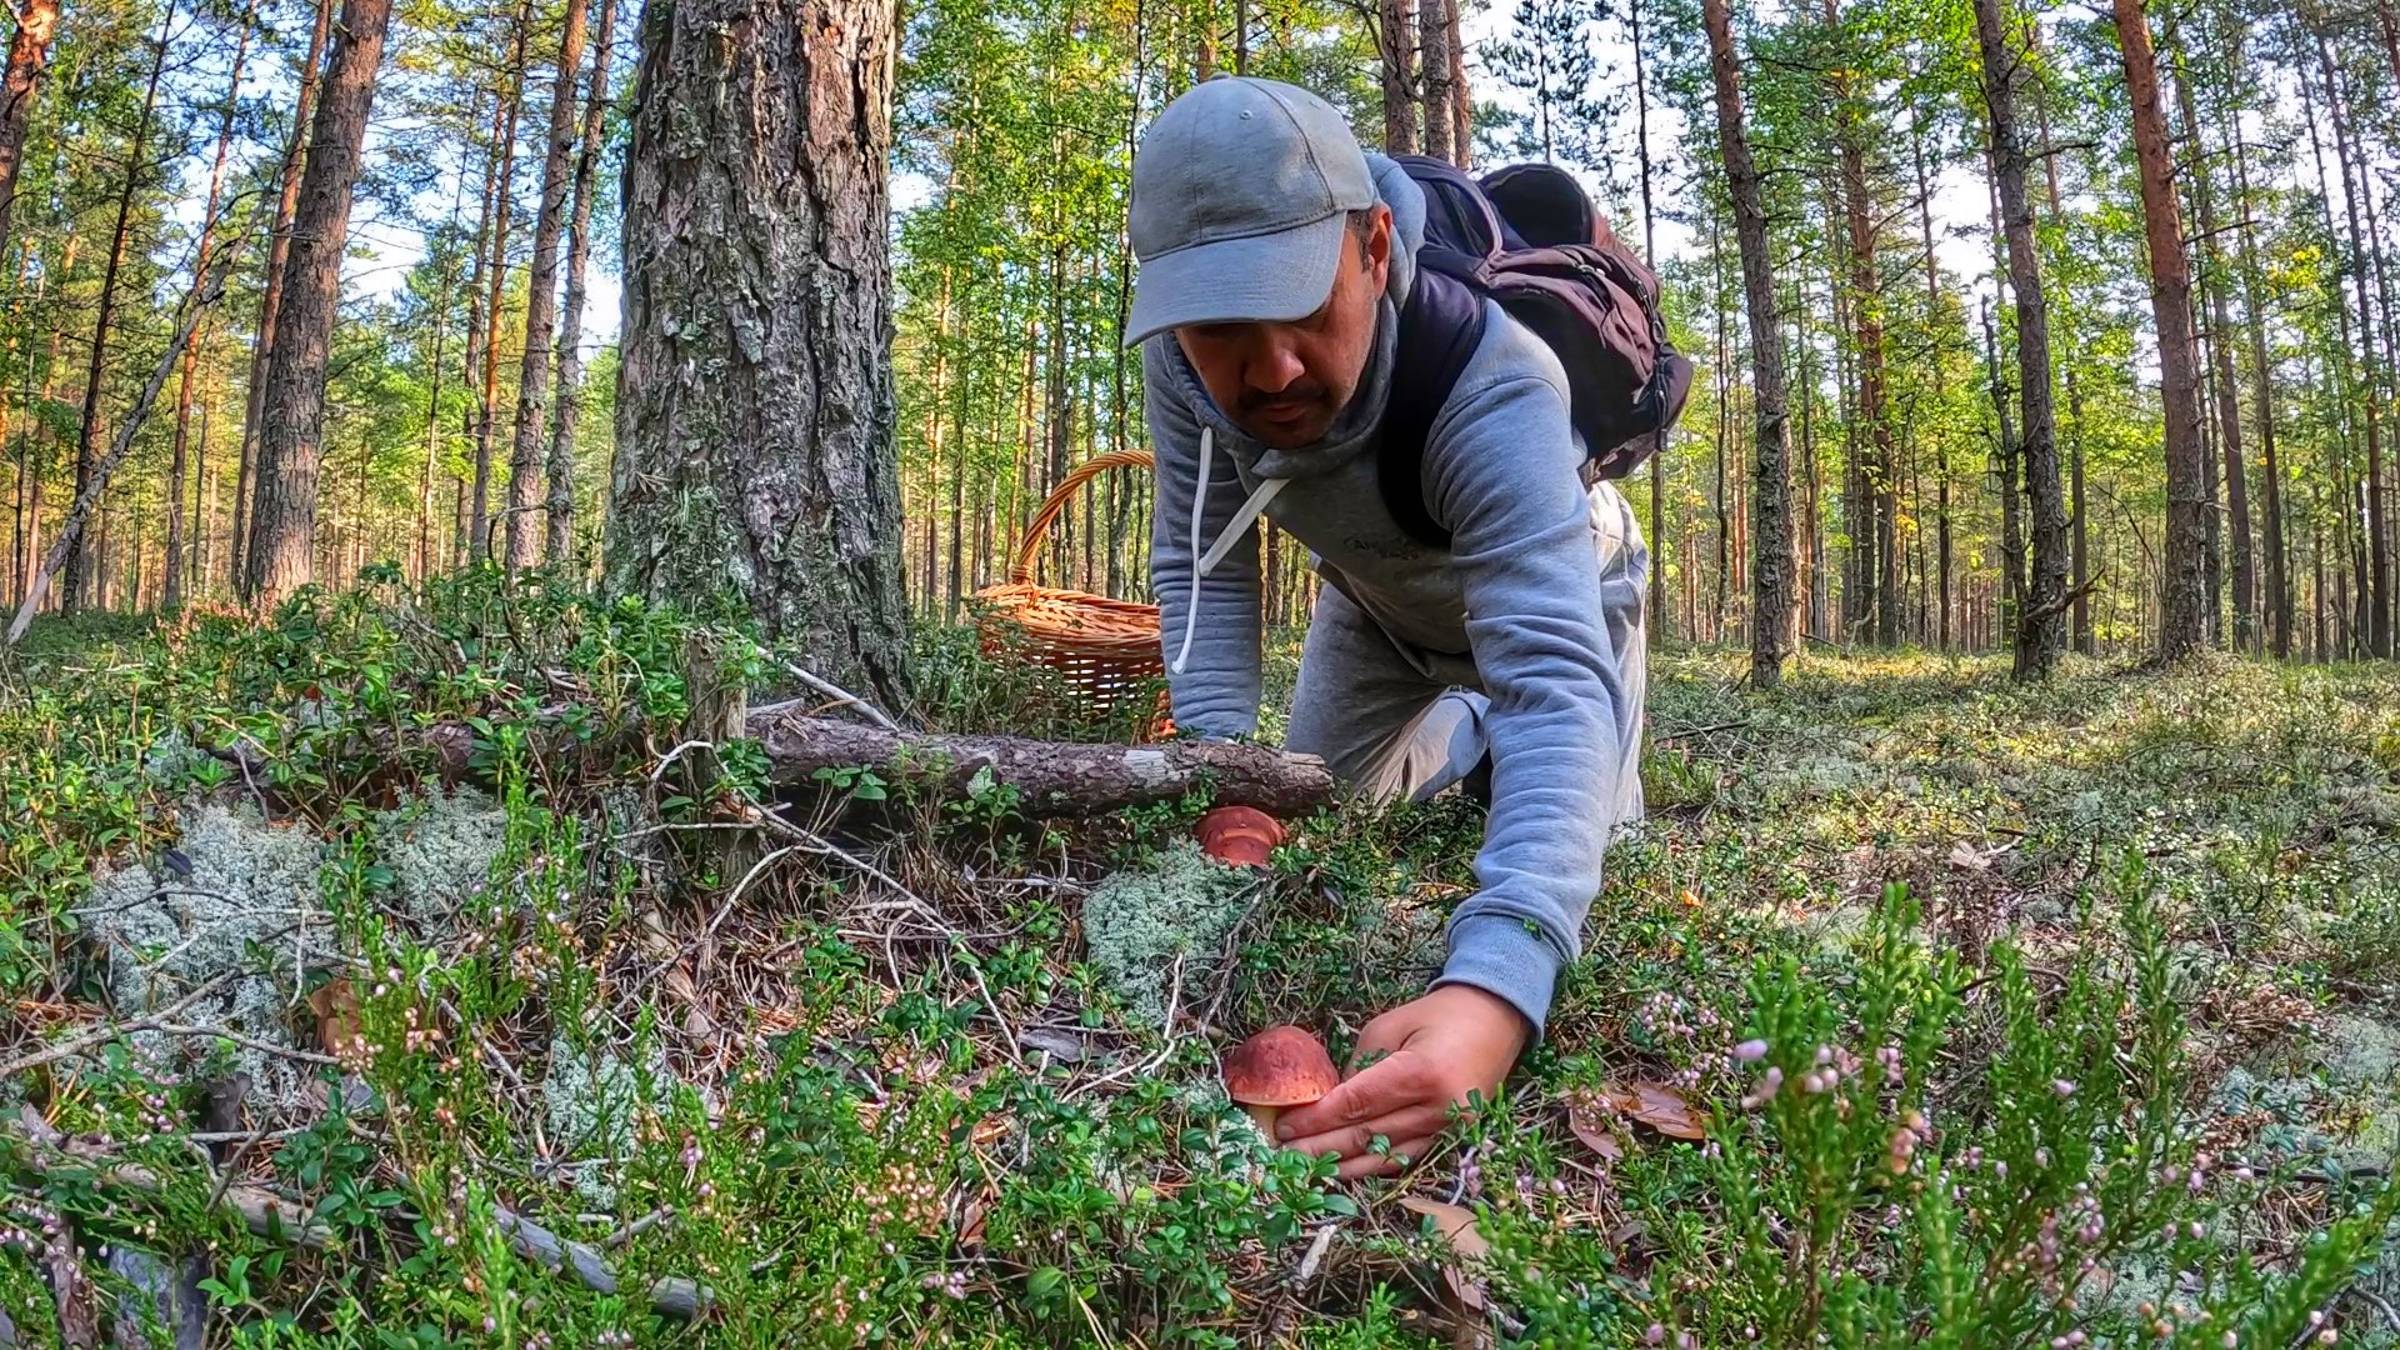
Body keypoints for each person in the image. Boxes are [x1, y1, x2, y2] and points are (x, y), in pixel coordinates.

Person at [1129, 75, 1650, 1178]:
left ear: (1373, 248)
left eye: (1305, 310)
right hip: (1376, 605)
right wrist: (1230, 771)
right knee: (1318, 814)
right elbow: (1201, 561)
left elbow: (1554, 677)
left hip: (1568, 598)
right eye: (1223, 327)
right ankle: (1467, 733)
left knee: (1595, 846)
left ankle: (1505, 735)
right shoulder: (1179, 368)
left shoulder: (1494, 379)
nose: (1269, 370)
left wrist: (1495, 989)